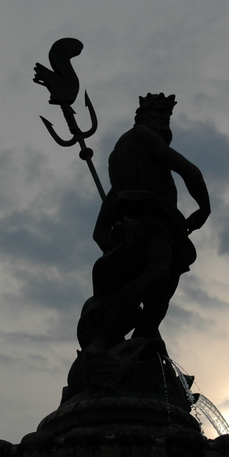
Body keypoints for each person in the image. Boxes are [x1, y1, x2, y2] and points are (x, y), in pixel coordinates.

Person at [80, 93, 210, 352]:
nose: (165, 122)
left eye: (167, 116)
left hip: (134, 229)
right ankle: (105, 339)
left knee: (161, 283)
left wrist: (117, 246)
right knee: (159, 273)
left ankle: (144, 336)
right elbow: (190, 171)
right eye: (161, 115)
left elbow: (98, 232)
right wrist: (204, 209)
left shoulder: (118, 158)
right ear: (144, 117)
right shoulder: (144, 137)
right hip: (154, 221)